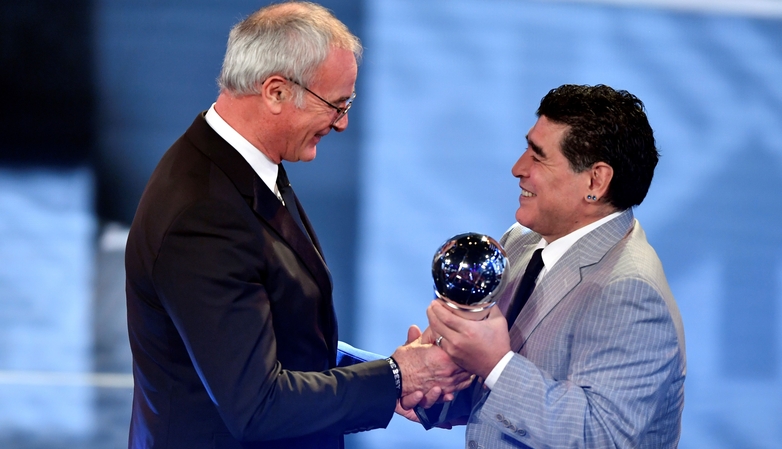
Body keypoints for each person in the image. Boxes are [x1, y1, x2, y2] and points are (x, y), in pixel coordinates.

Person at [125, 3, 467, 448]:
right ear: (276, 92)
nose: (343, 123)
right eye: (336, 105)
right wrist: (395, 378)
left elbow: (284, 339)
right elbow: (258, 406)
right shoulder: (204, 215)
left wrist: (395, 375)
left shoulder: (241, 170)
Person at [410, 84, 686, 448]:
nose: (518, 168)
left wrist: (495, 364)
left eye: (538, 157)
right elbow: (496, 394)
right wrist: (435, 381)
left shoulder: (629, 289)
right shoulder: (521, 242)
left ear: (595, 181)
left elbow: (600, 436)